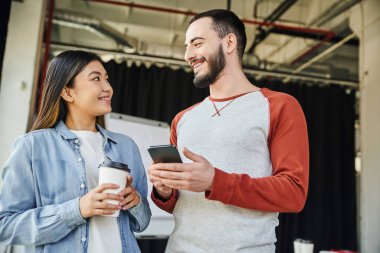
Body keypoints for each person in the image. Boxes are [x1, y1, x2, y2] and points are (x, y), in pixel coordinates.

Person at [148, 9, 309, 253]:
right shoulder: (182, 119)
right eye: (186, 46)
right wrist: (165, 189)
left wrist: (215, 181)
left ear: (229, 42)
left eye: (197, 43)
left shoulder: (279, 106)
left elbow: (293, 193)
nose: (188, 55)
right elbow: (178, 204)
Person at [0, 50, 151, 253]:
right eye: (96, 79)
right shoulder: (33, 146)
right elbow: (6, 226)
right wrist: (77, 210)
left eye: (107, 79)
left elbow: (141, 223)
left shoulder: (126, 146)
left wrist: (136, 202)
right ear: (67, 92)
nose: (108, 88)